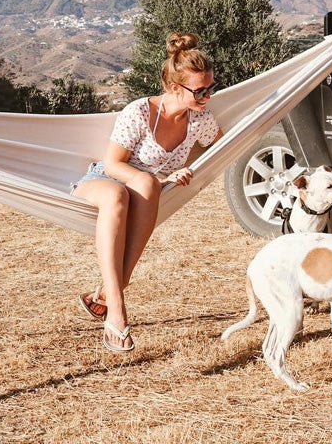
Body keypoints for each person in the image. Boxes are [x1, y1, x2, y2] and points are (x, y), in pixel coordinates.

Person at [72, 32, 223, 353]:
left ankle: (107, 298)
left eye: (211, 88)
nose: (207, 96)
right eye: (199, 90)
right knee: (124, 192)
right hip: (104, 181)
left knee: (145, 185)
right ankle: (117, 308)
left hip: (147, 190)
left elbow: (223, 145)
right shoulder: (139, 112)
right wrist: (165, 176)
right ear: (173, 87)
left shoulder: (201, 119)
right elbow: (113, 164)